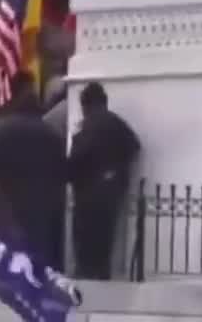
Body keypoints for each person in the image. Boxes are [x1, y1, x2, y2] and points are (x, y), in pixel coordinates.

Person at [0, 73, 66, 270]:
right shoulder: (49, 132)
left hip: (8, 195)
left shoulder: (1, 130)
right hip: (41, 197)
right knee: (37, 243)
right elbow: (60, 165)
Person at [68, 82, 140, 280]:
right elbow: (134, 146)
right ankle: (101, 271)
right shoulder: (117, 124)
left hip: (88, 190)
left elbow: (78, 158)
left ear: (86, 105)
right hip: (112, 191)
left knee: (85, 236)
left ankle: (86, 272)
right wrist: (116, 170)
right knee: (105, 236)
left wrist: (68, 173)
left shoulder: (88, 126)